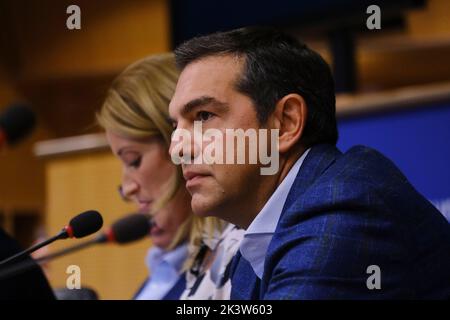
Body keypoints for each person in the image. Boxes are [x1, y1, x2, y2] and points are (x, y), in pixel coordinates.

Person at [168, 27, 450, 299]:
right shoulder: (258, 238)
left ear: (286, 123)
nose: (177, 148)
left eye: (203, 116)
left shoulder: (347, 208)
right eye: (175, 126)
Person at [97, 53, 243, 300]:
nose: (127, 189)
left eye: (134, 161)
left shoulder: (240, 261)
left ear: (179, 145)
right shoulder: (161, 270)